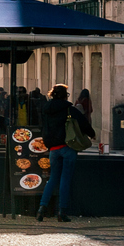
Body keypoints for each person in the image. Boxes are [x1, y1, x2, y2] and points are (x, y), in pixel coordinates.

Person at [35, 83, 93, 223]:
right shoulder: (68, 109)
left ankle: (41, 209)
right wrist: (92, 133)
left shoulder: (45, 109)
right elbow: (83, 122)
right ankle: (62, 212)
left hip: (53, 149)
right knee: (65, 180)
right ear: (65, 95)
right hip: (67, 148)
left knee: (53, 178)